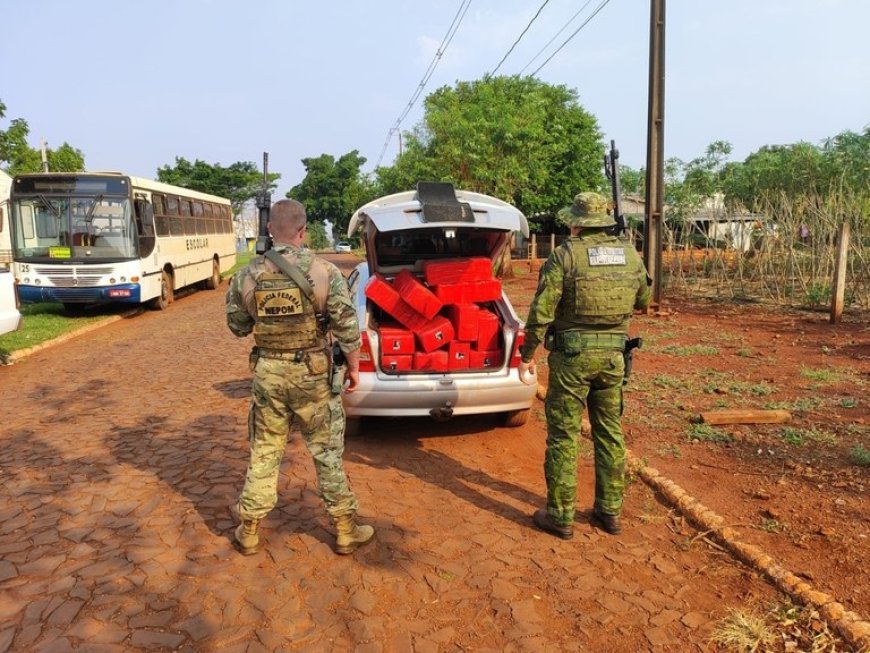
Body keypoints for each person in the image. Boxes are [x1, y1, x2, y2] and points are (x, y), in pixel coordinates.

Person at [225, 198, 374, 556]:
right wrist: (353, 367)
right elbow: (346, 327)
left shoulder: (247, 274)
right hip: (313, 377)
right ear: (303, 231)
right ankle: (344, 528)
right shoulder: (325, 272)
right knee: (326, 453)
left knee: (264, 451)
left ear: (270, 230)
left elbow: (237, 326)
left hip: (269, 378)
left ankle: (248, 528)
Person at [518, 192, 650, 539]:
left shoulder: (565, 255)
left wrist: (527, 353)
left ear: (576, 222)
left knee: (564, 434)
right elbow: (644, 300)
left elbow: (541, 312)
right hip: (613, 357)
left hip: (572, 359)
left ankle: (560, 516)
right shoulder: (629, 254)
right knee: (609, 432)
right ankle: (610, 512)